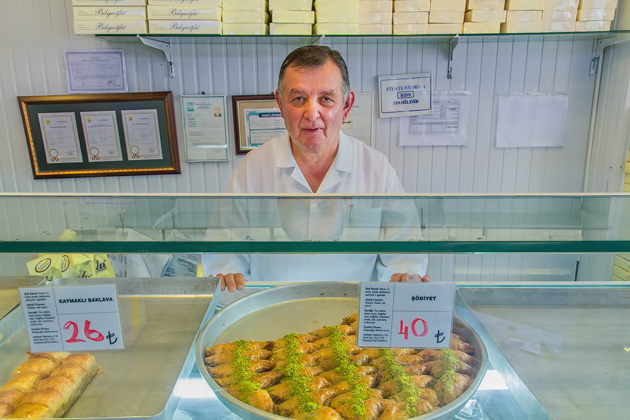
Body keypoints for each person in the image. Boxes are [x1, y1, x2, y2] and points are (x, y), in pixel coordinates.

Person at [201, 45, 429, 291]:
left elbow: (405, 253)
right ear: (279, 102)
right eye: (298, 99)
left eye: (326, 99)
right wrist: (229, 276)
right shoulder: (254, 168)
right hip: (271, 311)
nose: (312, 113)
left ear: (347, 104)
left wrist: (403, 279)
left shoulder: (375, 168)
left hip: (353, 313)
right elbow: (223, 249)